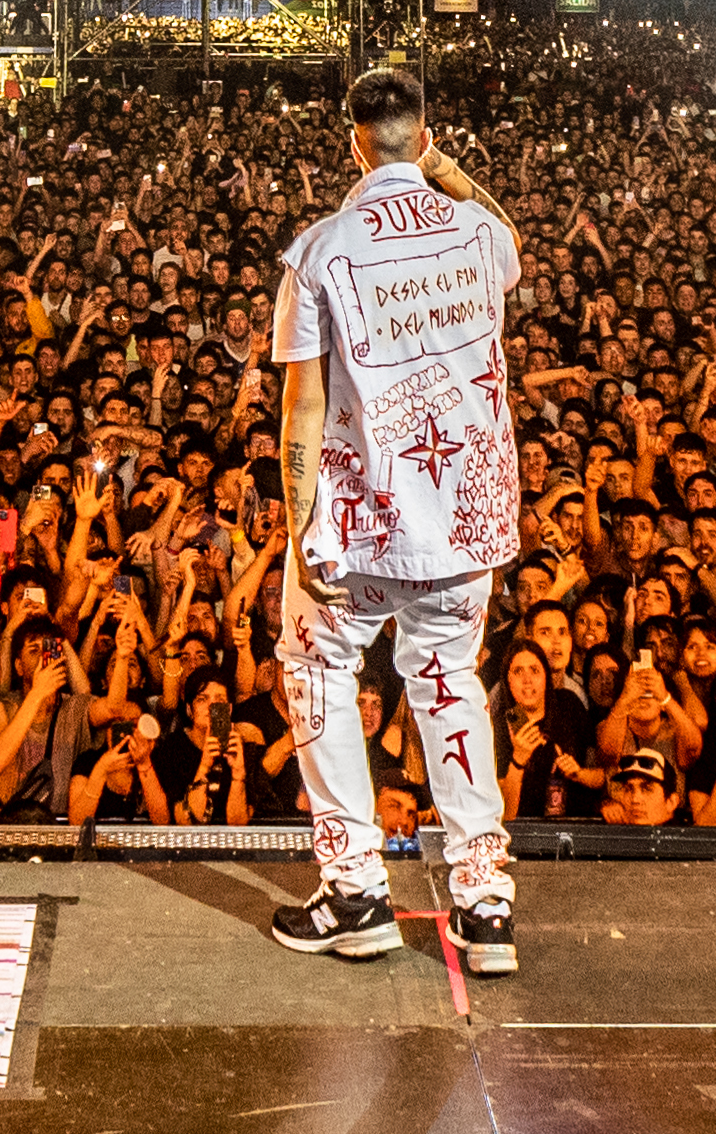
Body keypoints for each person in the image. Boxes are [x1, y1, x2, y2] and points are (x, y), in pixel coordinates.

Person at [266, 66, 526, 974]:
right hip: (467, 522)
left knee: (317, 666)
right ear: (424, 137)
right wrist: (447, 171)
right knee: (450, 679)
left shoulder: (320, 251)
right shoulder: (479, 232)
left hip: (362, 522)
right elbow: (512, 237)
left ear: (349, 142)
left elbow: (301, 406)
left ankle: (356, 890)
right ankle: (484, 902)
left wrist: (299, 524)